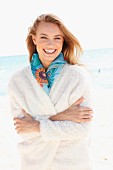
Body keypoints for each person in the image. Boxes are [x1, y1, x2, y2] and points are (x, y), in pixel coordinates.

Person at [8, 13, 93, 170]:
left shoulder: (78, 76)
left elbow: (82, 129)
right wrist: (63, 117)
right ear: (34, 39)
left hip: (74, 163)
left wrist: (37, 125)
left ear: (63, 41)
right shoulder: (18, 81)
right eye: (44, 37)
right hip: (33, 163)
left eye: (57, 38)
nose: (50, 44)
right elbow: (23, 130)